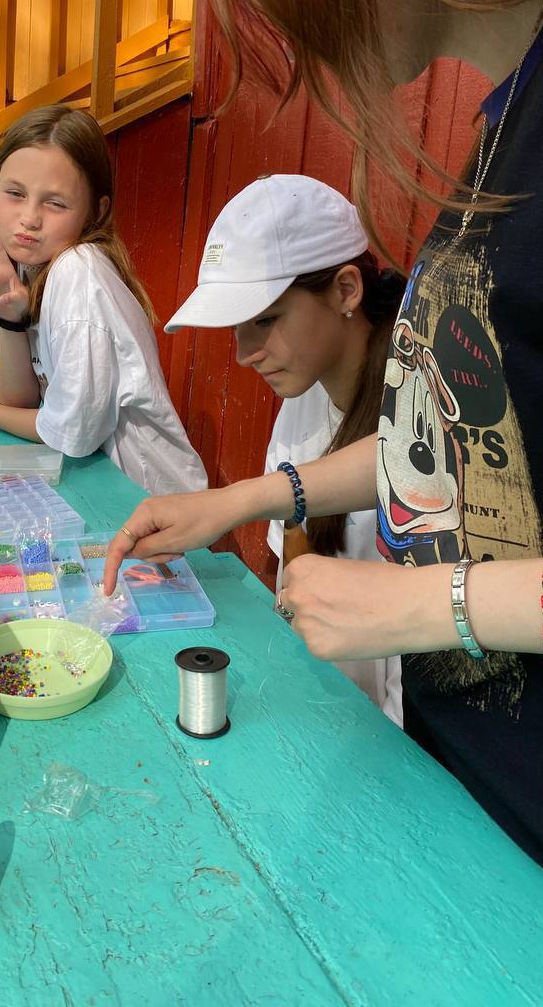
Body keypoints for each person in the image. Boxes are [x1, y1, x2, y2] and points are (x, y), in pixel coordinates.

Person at [104, 0, 543, 872]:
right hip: (469, 806)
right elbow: (464, 439)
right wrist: (245, 497)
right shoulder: (508, 116)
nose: (306, 36)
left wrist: (425, 606)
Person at [165, 173, 404, 723]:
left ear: (346, 290)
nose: (245, 352)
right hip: (323, 706)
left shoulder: (425, 414)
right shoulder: (305, 393)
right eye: (237, 327)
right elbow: (294, 569)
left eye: (266, 320)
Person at [0, 104, 207, 496]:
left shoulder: (77, 271)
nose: (29, 218)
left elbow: (71, 434)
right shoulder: (20, 268)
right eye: (15, 194)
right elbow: (21, 399)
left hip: (152, 501)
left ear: (95, 211)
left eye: (55, 203)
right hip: (98, 490)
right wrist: (10, 320)